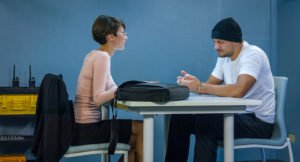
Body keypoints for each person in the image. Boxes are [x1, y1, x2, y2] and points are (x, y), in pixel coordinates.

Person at [165, 17, 275, 162]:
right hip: (236, 115)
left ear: (235, 41)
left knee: (208, 121)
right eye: (214, 42)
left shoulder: (252, 54)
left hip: (258, 122)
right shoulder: (224, 57)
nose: (216, 47)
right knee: (180, 118)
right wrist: (191, 84)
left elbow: (238, 91)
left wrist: (201, 87)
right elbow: (209, 85)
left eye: (220, 42)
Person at [72, 15, 143, 162]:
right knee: (142, 129)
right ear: (111, 36)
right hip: (87, 129)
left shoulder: (95, 55)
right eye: (123, 33)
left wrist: (125, 89)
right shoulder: (102, 58)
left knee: (135, 143)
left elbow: (112, 88)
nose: (126, 38)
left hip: (81, 127)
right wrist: (121, 90)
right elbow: (98, 98)